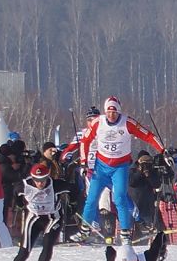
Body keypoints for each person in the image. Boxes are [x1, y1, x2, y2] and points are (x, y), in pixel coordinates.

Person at [69, 97, 165, 239]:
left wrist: (163, 150)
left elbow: (148, 136)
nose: (111, 115)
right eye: (108, 112)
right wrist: (83, 162)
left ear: (119, 112)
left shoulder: (127, 122)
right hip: (101, 167)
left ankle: (125, 232)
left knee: (120, 198)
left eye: (114, 112)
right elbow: (85, 141)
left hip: (120, 167)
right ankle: (85, 230)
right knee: (92, 198)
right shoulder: (98, 122)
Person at [0, 163, 64, 261]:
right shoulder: (24, 185)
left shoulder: (55, 185)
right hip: (34, 218)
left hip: (53, 218)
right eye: (37, 180)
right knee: (24, 250)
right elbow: (15, 193)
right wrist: (19, 204)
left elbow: (73, 189)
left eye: (43, 179)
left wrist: (73, 205)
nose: (40, 183)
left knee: (47, 245)